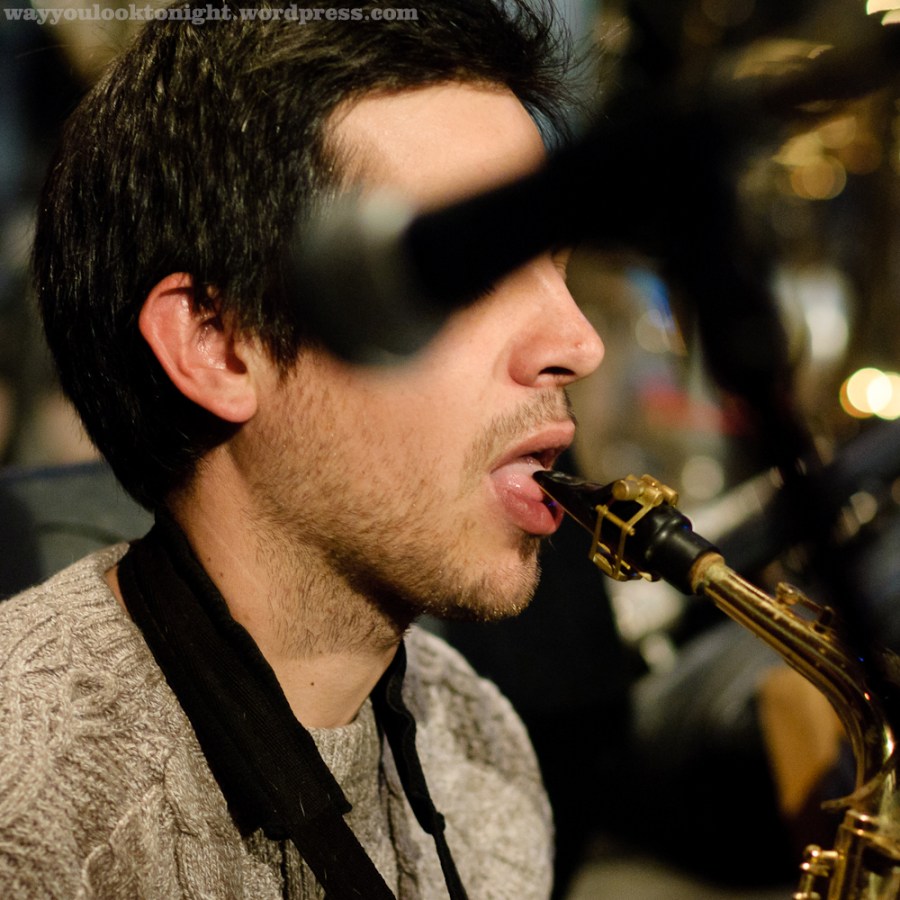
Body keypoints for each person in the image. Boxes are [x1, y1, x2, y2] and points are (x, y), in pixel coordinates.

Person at [0, 0, 606, 896]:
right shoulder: (25, 811)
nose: (580, 343)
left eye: (556, 265)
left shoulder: (485, 750)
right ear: (216, 343)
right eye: (467, 268)